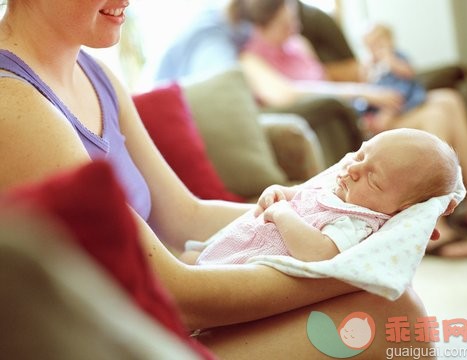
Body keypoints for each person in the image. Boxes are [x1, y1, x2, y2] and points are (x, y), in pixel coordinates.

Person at [0, 1, 439, 358]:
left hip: (146, 315)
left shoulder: (94, 74)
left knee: (392, 310)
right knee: (393, 315)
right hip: (110, 338)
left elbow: (186, 216)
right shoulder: (12, 103)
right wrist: (361, 264)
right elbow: (178, 295)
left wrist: (353, 223)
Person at [233, 0, 467, 258]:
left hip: (359, 109)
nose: (296, 26)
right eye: (287, 22)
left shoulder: (299, 45)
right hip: (353, 125)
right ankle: (431, 226)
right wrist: (364, 93)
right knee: (436, 116)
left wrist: (380, 63)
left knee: (447, 100)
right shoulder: (250, 59)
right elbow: (285, 94)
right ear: (262, 26)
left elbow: (327, 77)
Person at [181, 129, 459, 265]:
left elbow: (318, 252)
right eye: (360, 155)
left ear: (399, 210)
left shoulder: (356, 222)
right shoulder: (341, 190)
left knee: (187, 272)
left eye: (373, 178)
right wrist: (281, 192)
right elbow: (304, 195)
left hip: (246, 267)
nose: (353, 169)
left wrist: (282, 213)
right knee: (188, 256)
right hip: (236, 244)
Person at [357, 23, 427, 135]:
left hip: (399, 92)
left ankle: (384, 121)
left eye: (378, 44)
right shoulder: (369, 64)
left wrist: (391, 61)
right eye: (370, 46)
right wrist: (365, 70)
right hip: (378, 96)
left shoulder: (397, 56)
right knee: (362, 104)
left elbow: (410, 73)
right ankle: (369, 121)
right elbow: (365, 84)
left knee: (391, 107)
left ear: (390, 41)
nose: (375, 49)